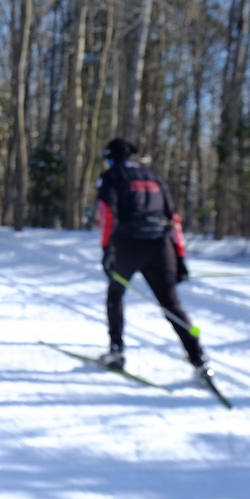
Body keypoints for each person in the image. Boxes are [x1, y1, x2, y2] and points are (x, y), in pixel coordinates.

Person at [95, 138, 211, 379]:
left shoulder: (111, 176)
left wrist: (107, 249)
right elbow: (173, 218)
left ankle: (116, 350)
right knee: (171, 304)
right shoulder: (153, 176)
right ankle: (198, 358)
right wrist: (179, 257)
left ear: (111, 157)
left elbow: (107, 214)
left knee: (115, 294)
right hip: (162, 245)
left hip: (128, 244)